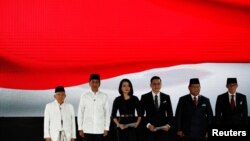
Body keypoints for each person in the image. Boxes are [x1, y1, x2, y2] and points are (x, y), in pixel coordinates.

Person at [77, 74, 110, 141]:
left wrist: (106, 128)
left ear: (99, 83)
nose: (95, 84)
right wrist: (80, 128)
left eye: (97, 82)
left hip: (100, 130)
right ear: (89, 83)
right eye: (93, 82)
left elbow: (107, 113)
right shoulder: (84, 96)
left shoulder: (104, 96)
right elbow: (80, 112)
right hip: (87, 129)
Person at [140, 76, 173, 141]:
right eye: (154, 84)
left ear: (161, 85)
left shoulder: (166, 97)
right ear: (150, 85)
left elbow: (170, 113)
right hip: (149, 131)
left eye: (158, 84)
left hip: (163, 130)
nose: (156, 86)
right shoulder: (144, 97)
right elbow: (141, 114)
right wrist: (148, 125)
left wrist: (168, 125)